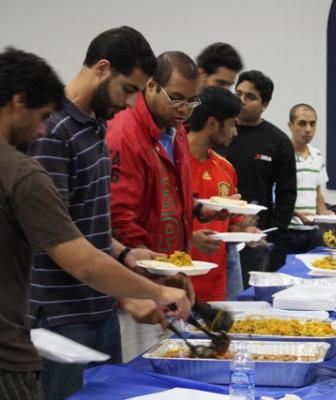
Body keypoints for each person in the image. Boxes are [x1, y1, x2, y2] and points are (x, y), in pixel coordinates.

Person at [0, 47, 190, 400]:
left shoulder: (95, 127)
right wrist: (154, 291)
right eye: (129, 89)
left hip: (91, 309)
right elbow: (76, 254)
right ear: (18, 101)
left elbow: (79, 224)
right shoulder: (31, 160)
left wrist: (125, 256)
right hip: (45, 325)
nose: (41, 129)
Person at [106, 51, 215, 360]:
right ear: (151, 86)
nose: (184, 109)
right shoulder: (124, 133)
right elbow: (118, 220)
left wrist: (176, 273)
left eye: (192, 101)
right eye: (176, 98)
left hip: (164, 280)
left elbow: (173, 200)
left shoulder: (177, 132)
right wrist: (147, 285)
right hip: (133, 290)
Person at [187, 86, 260, 301]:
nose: (236, 133)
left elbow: (233, 225)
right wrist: (190, 240)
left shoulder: (226, 169)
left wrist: (246, 227)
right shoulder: (171, 164)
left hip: (217, 285)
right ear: (212, 124)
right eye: (232, 125)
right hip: (176, 286)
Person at [227, 70, 297, 276]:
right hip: (217, 232)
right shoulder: (218, 131)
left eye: (250, 97)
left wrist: (273, 234)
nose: (241, 101)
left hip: (255, 239)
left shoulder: (279, 141)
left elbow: (287, 194)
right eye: (238, 93)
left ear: (264, 105)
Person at [196, 42, 245, 298]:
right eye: (222, 83)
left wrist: (240, 223)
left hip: (221, 263)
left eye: (229, 86)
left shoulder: (223, 164)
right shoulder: (172, 145)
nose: (227, 92)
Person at [276, 103, 333, 261]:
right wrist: (295, 213)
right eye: (302, 123)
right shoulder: (281, 154)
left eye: (312, 124)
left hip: (312, 231)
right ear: (290, 125)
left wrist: (324, 213)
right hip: (287, 231)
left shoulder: (317, 154)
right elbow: (273, 196)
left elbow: (317, 191)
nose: (308, 129)